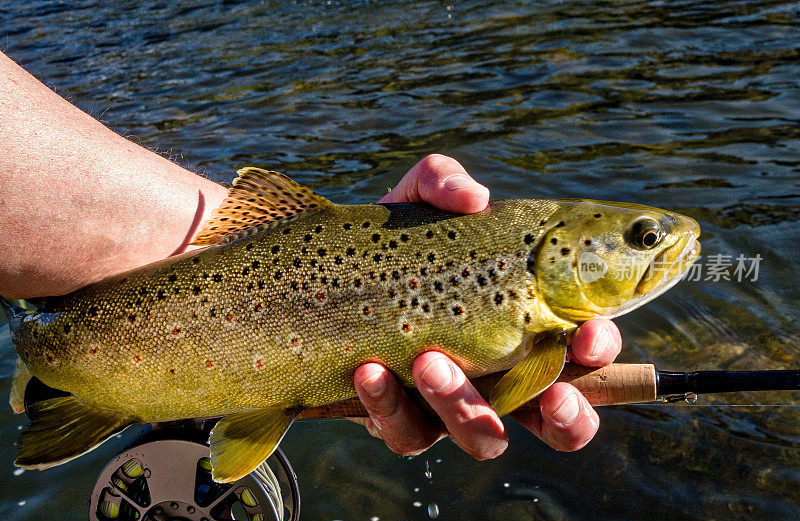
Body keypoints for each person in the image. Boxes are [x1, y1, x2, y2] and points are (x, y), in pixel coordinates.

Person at [0, 51, 621, 460]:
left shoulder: (543, 326)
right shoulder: (538, 317)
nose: (671, 245)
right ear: (559, 252)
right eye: (642, 238)